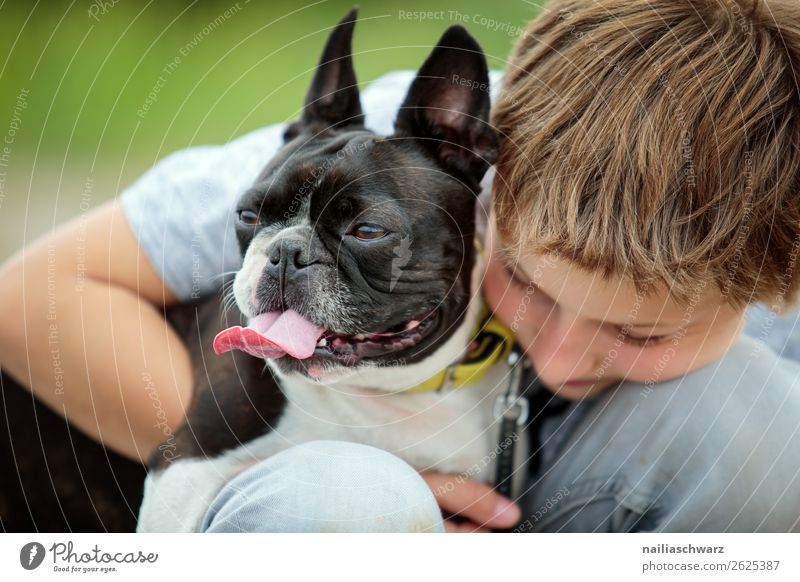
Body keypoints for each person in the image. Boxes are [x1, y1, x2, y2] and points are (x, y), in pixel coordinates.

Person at [2, 0, 800, 532]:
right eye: (522, 283)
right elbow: (29, 296)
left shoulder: (770, 210)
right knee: (345, 500)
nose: (556, 354)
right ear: (495, 161)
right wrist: (260, 446)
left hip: (558, 490)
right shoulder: (394, 148)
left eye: (635, 331)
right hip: (320, 485)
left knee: (763, 412)